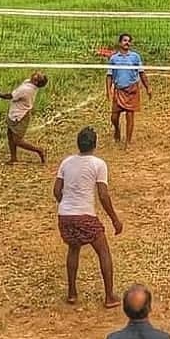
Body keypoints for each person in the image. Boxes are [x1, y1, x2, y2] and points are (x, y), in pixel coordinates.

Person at [54, 127, 123, 307]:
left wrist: (67, 204)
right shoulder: (98, 164)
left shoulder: (66, 162)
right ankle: (109, 297)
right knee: (104, 252)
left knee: (73, 249)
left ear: (78, 143)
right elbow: (103, 195)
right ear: (95, 144)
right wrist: (114, 218)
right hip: (85, 215)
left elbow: (56, 191)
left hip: (65, 215)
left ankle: (72, 293)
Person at [0, 72, 49, 164]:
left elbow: (10, 96)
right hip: (15, 113)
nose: (36, 73)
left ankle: (39, 150)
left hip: (19, 115)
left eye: (38, 75)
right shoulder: (28, 83)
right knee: (10, 135)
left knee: (17, 140)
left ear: (36, 82)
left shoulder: (26, 89)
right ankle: (13, 158)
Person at [107, 33, 152, 146]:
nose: (127, 43)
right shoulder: (114, 58)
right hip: (119, 91)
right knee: (114, 117)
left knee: (130, 116)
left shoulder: (135, 57)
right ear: (120, 43)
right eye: (125, 40)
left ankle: (128, 141)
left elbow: (141, 73)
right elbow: (109, 76)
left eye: (129, 41)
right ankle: (117, 129)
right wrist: (108, 90)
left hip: (132, 90)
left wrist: (148, 87)